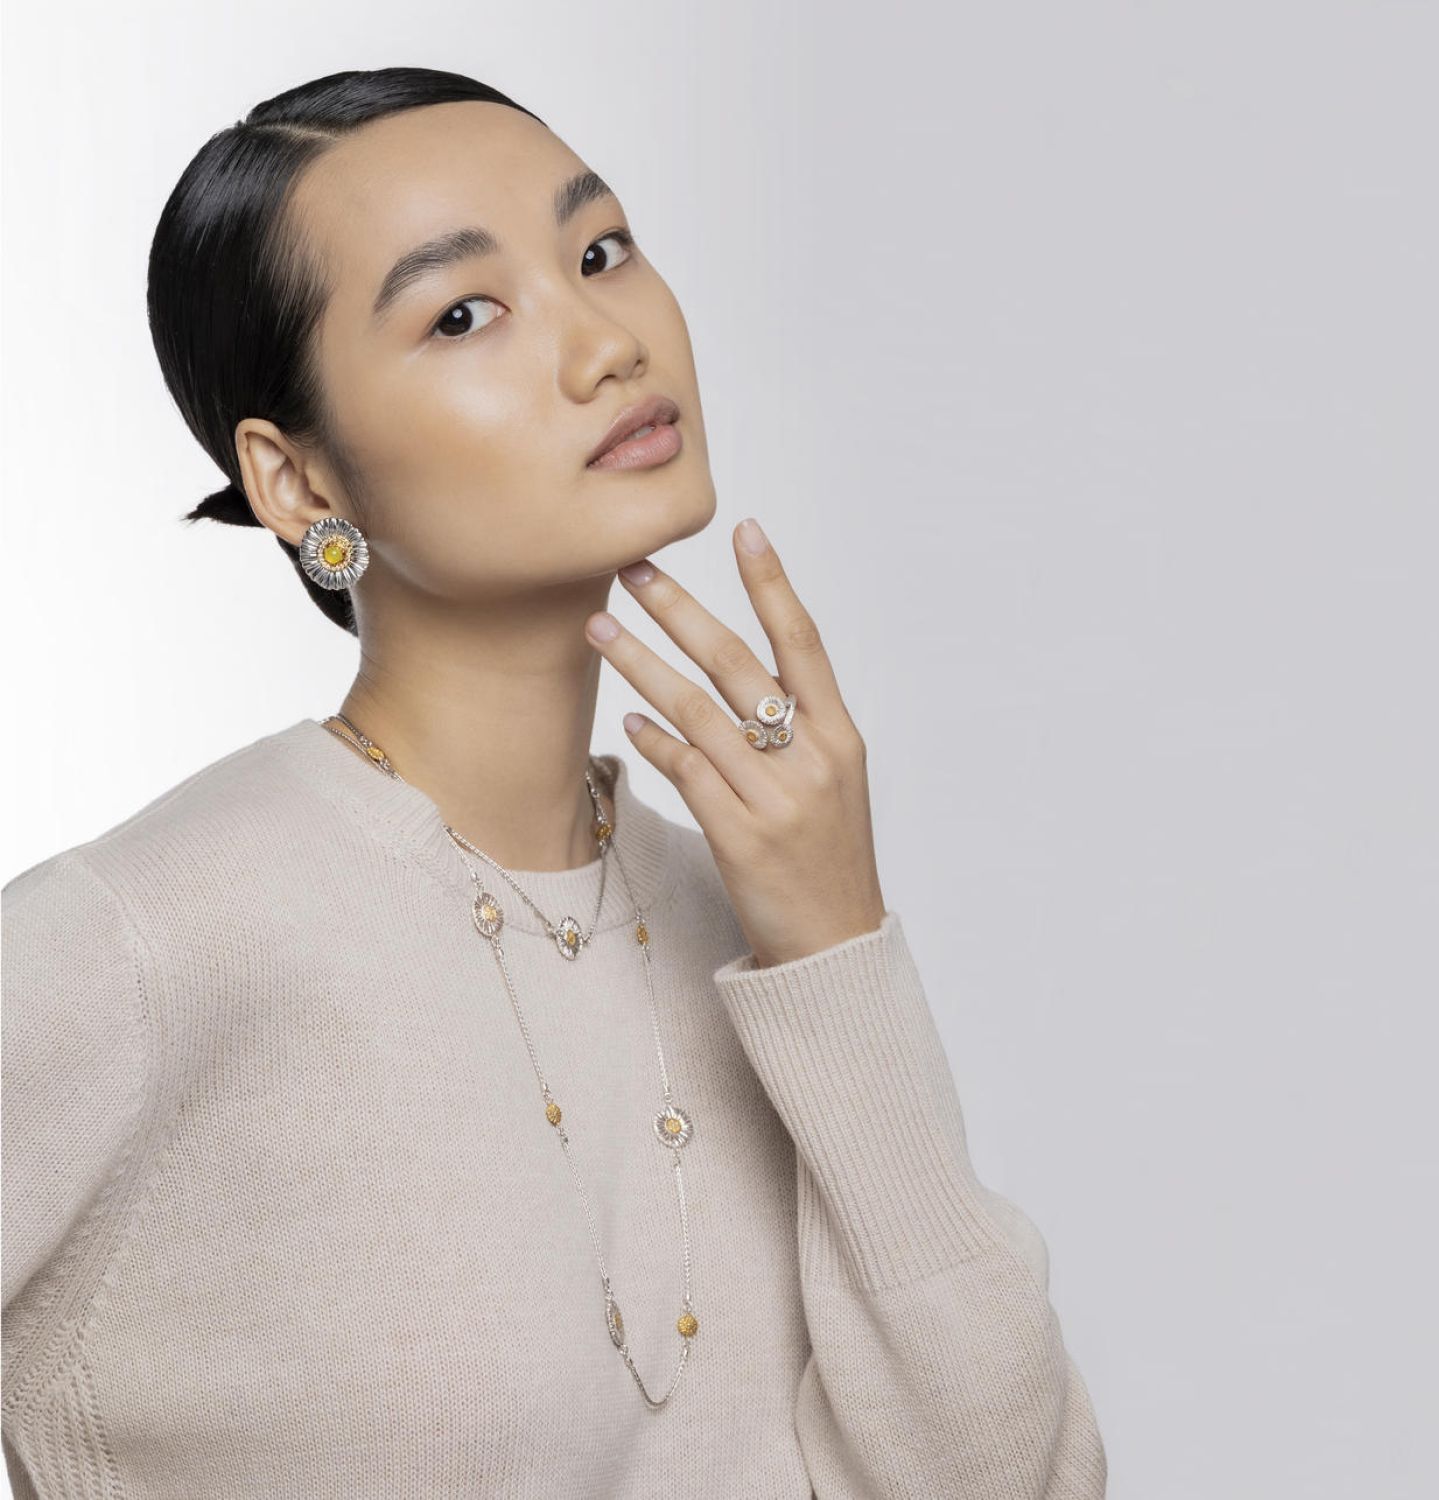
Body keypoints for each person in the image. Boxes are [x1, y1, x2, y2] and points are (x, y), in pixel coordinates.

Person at [1, 66, 1107, 1498]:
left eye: (601, 251)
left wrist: (837, 949)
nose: (605, 342)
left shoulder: (758, 918)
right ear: (298, 485)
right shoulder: (147, 945)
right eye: (463, 314)